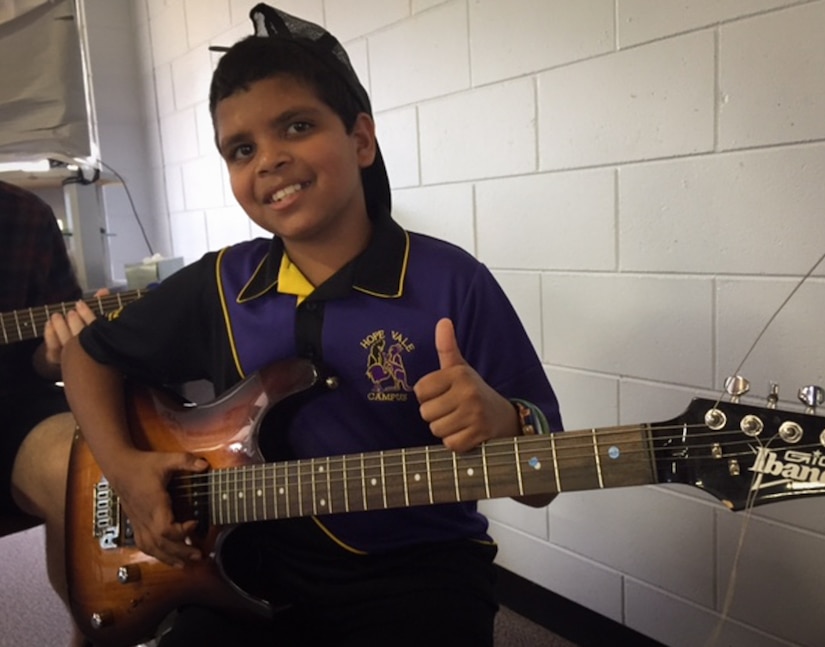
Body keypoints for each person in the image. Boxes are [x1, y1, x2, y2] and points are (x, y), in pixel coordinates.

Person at [61, 5, 563, 646]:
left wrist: (505, 424)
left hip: (418, 576)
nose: (269, 159)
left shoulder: (453, 282)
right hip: (242, 570)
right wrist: (125, 468)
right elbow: (87, 354)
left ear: (360, 140)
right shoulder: (222, 283)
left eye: (296, 127)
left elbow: (543, 482)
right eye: (242, 149)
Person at [0, 178, 105, 646]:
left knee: (87, 463)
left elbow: (41, 363)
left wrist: (57, 353)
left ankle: (92, 635)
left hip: (12, 404)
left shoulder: (25, 215)